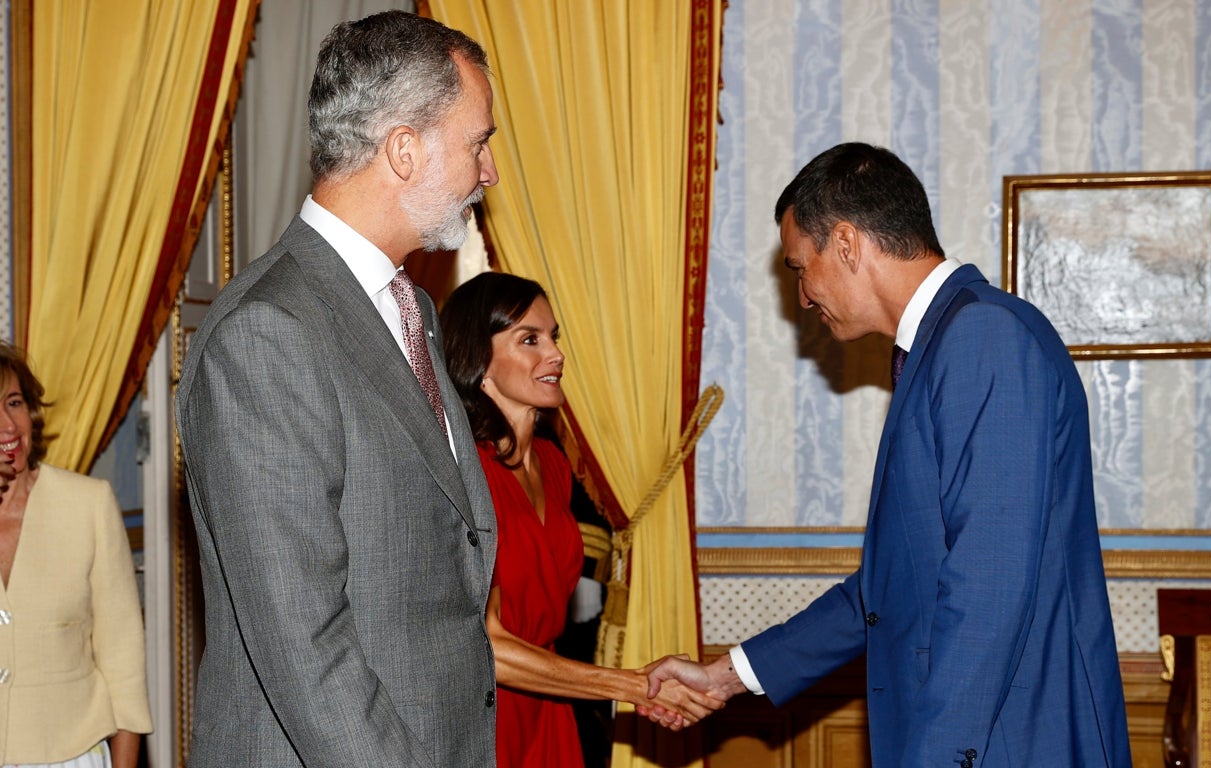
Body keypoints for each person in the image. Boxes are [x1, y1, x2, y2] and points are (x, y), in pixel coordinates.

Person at [645, 143, 1131, 767]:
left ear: (845, 243)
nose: (801, 297)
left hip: (1011, 743)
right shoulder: (946, 344)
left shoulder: (983, 338)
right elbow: (887, 590)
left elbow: (989, 587)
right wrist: (727, 676)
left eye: (799, 267)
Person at [174, 12, 503, 767]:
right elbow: (306, 645)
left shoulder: (409, 307)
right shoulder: (265, 336)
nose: (488, 173)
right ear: (403, 149)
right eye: (477, 143)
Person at [439, 272, 721, 767]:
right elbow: (489, 644)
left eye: (553, 337)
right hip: (484, 716)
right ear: (478, 361)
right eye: (529, 339)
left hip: (550, 708)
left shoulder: (552, 464)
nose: (555, 354)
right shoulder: (463, 473)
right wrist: (634, 685)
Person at [0, 341, 152, 768]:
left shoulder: (88, 505)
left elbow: (124, 666)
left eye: (14, 402)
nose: (8, 425)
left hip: (71, 754)